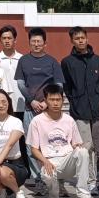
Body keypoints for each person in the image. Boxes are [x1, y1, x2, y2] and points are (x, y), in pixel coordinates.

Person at [26, 83, 97, 198]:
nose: (55, 103)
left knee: (83, 152)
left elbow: (76, 143)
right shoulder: (37, 121)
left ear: (62, 100)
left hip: (67, 160)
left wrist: (77, 147)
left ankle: (83, 195)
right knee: (47, 175)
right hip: (50, 161)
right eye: (52, 100)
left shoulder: (69, 120)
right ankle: (54, 192)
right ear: (45, 100)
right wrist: (45, 161)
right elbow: (34, 149)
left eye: (58, 100)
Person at [14, 27, 65, 188]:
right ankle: (38, 178)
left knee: (50, 143)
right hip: (29, 108)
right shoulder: (24, 61)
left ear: (45, 43)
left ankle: (53, 176)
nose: (36, 44)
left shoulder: (52, 61)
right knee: (31, 145)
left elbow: (58, 84)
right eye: (33, 41)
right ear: (29, 43)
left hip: (48, 110)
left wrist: (45, 102)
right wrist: (32, 101)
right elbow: (20, 84)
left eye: (39, 41)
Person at [61, 26, 99, 194]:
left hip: (97, 111)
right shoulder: (67, 62)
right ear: (72, 41)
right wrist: (74, 101)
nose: (80, 40)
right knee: (86, 147)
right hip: (79, 111)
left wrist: (98, 99)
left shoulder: (98, 60)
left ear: (87, 38)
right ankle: (89, 181)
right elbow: (66, 86)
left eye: (82, 37)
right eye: (77, 38)